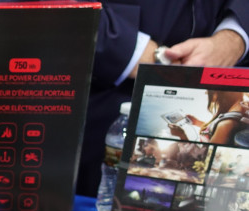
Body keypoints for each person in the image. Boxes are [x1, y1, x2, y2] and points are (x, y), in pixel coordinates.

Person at [77, 0, 249, 196]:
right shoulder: (227, 116)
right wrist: (140, 53)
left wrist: (233, 39)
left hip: (222, 65)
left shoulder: (227, 121)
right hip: (101, 91)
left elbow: (204, 163)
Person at [169, 90, 247, 145]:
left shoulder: (225, 124)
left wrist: (182, 136)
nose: (206, 92)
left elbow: (206, 158)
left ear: (217, 93)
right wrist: (198, 123)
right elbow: (215, 131)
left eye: (208, 90)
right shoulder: (240, 109)